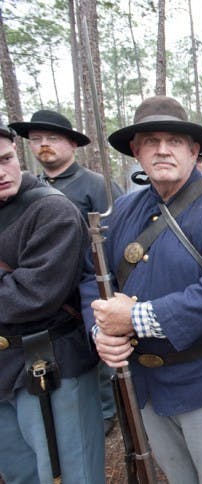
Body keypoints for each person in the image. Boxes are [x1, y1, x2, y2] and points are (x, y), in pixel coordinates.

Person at [80, 96, 202, 483]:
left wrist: (134, 318)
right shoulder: (123, 211)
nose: (162, 149)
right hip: (144, 383)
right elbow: (90, 278)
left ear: (194, 151)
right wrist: (100, 330)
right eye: (151, 140)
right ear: (136, 150)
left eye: (174, 141)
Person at [0, 123, 104, 483]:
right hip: (3, 368)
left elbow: (34, 296)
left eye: (6, 159)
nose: (1, 172)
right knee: (20, 474)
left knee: (76, 472)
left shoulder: (51, 210)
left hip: (49, 362)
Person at [10, 109, 123, 435]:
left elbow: (116, 238)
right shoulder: (25, 189)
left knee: (96, 354)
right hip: (39, 296)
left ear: (72, 144)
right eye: (37, 139)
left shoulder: (97, 186)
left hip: (83, 289)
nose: (44, 145)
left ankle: (104, 411)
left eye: (53, 138)